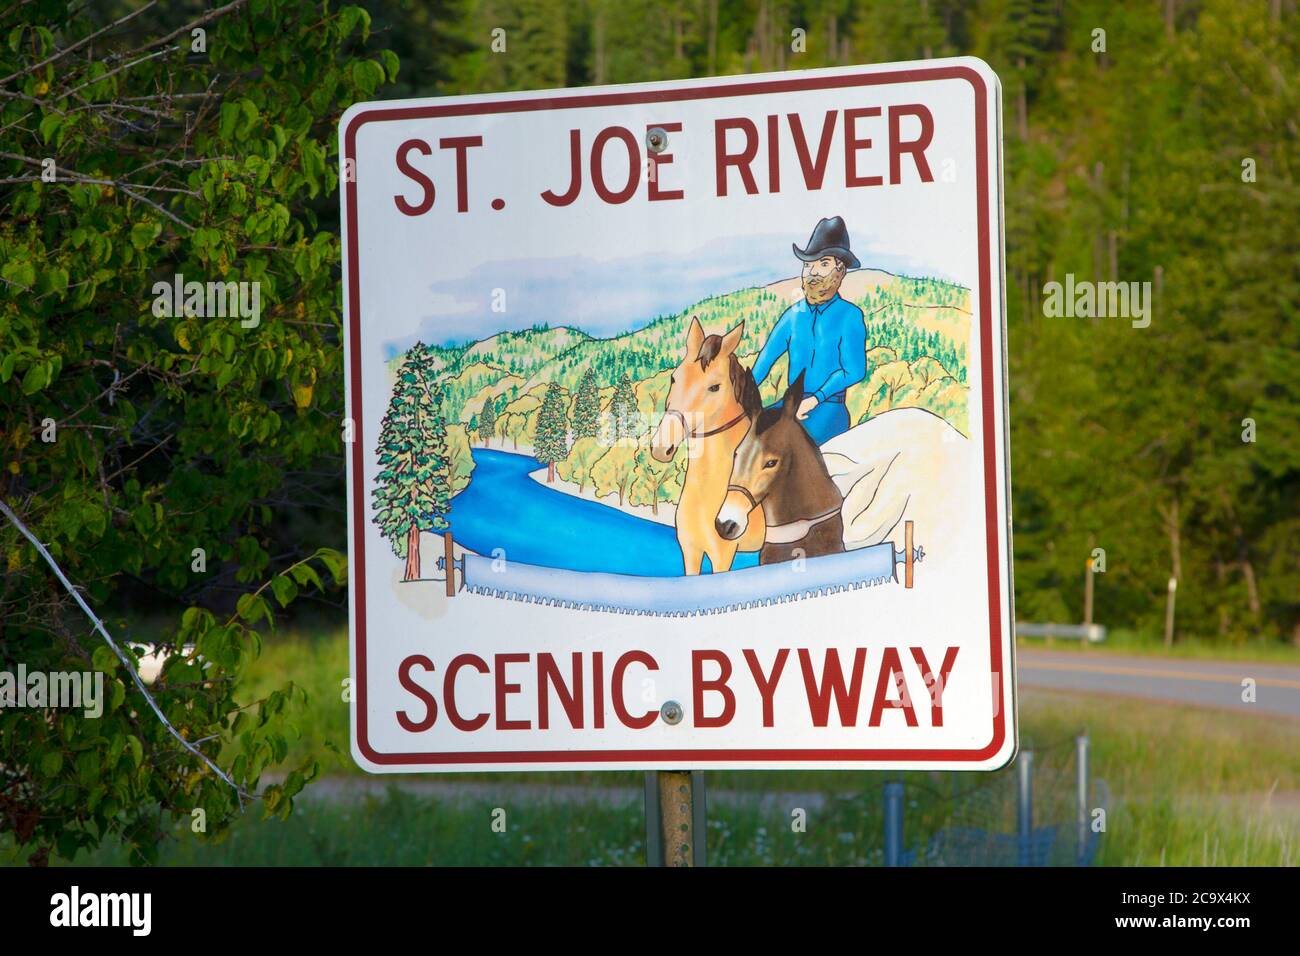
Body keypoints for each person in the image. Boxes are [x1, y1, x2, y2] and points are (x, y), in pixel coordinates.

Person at [750, 216, 867, 446]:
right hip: (789, 406)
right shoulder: (793, 316)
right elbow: (765, 360)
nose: (812, 272)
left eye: (823, 264)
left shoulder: (849, 316)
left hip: (829, 408)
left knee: (783, 448)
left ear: (839, 271)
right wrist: (742, 395)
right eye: (807, 265)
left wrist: (815, 399)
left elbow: (854, 370)